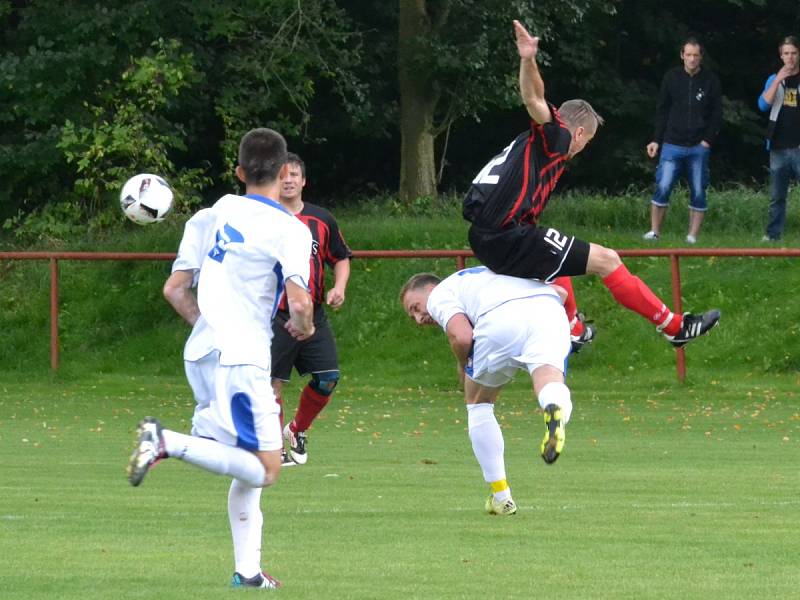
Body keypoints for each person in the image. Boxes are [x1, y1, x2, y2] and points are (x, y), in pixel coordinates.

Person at [127, 127, 315, 590]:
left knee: (242, 464)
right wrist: (304, 328)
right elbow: (301, 302)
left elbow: (175, 289)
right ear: (284, 171)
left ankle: (248, 572)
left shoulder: (213, 213)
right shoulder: (289, 228)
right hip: (243, 358)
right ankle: (165, 441)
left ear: (239, 171)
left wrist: (209, 327)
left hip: (203, 354)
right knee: (269, 468)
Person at [462, 20, 720, 349]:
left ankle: (572, 329)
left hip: (490, 235)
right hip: (505, 236)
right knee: (608, 260)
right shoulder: (556, 137)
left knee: (557, 257)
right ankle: (673, 327)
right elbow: (534, 99)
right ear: (579, 133)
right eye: (588, 141)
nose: (583, 148)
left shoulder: (529, 145)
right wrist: (528, 59)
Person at [400, 267, 574, 516]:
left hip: (500, 319)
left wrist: (463, 365)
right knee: (548, 380)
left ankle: (501, 497)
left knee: (478, 402)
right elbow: (560, 292)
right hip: (549, 311)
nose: (418, 318)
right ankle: (553, 409)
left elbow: (461, 337)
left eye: (415, 307)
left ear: (429, 289)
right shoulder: (491, 271)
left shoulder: (441, 292)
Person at [271, 152, 353, 465]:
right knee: (272, 384)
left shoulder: (321, 219)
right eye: (282, 175)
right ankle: (273, 445)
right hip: (276, 313)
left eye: (294, 175)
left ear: (304, 181)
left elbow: (340, 256)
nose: (288, 180)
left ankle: (297, 429)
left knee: (328, 377)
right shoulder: (265, 219)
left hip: (313, 313)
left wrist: (339, 287)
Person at [643, 37, 722, 244]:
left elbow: (716, 114)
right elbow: (662, 110)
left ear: (701, 57)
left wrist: (707, 140)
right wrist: (656, 140)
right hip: (671, 143)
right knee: (663, 185)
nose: (692, 59)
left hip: (699, 145)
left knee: (698, 189)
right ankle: (654, 232)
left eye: (696, 55)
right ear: (682, 55)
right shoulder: (671, 78)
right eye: (688, 55)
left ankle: (692, 236)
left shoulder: (711, 80)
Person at [758, 36, 800, 242]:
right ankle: (773, 235)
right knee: (777, 197)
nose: (790, 58)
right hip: (778, 147)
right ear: (781, 56)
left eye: (793, 53)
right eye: (786, 53)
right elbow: (763, 105)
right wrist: (777, 80)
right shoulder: (774, 79)